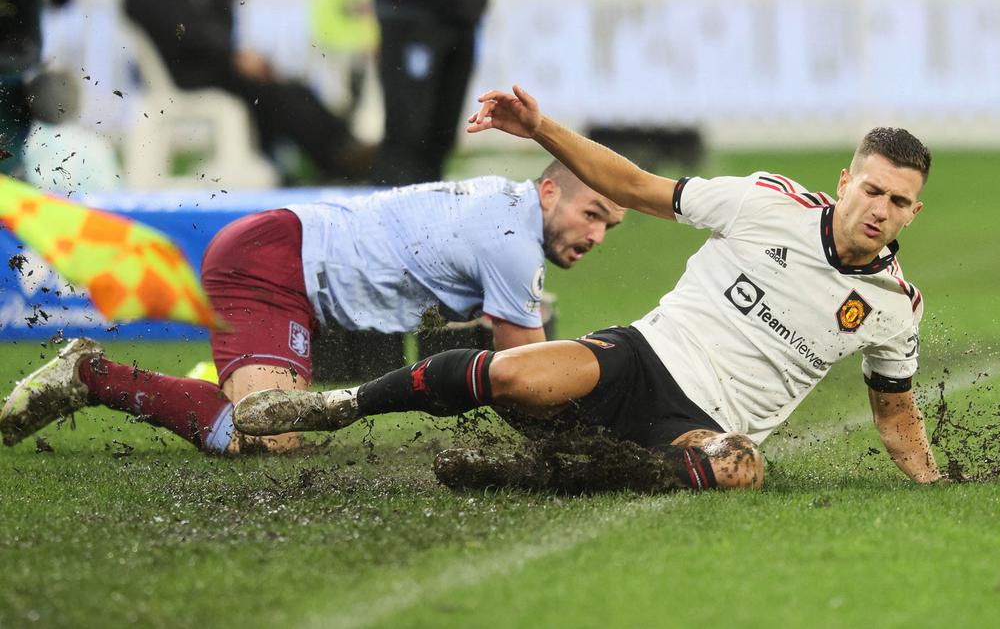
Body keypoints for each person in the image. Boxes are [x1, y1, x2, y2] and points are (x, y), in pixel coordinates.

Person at [228, 85, 944, 492]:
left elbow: (894, 414)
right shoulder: (764, 203)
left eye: (898, 202)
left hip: (700, 424)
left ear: (914, 212)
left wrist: (931, 483)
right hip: (641, 359)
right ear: (847, 182)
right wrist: (540, 128)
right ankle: (340, 404)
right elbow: (633, 184)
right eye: (871, 189)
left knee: (740, 468)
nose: (879, 210)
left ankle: (531, 476)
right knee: (511, 375)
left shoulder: (892, 309)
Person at [0, 159, 624, 454]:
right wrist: (612, 445)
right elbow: (535, 376)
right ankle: (91, 375)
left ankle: (219, 382)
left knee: (270, 420)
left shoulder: (505, 206)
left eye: (611, 227)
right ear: (548, 191)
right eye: (591, 214)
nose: (597, 237)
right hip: (269, 265)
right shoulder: (512, 242)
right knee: (267, 439)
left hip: (292, 259)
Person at [123, 0, 373, 181]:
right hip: (188, 78)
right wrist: (234, 58)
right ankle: (337, 157)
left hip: (216, 67)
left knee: (286, 88)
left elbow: (216, 14)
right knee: (272, 93)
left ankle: (337, 149)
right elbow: (188, 33)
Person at [341, 0, 487, 185]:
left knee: (442, 134)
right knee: (407, 133)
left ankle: (428, 218)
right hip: (411, 13)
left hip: (463, 13)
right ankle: (390, 219)